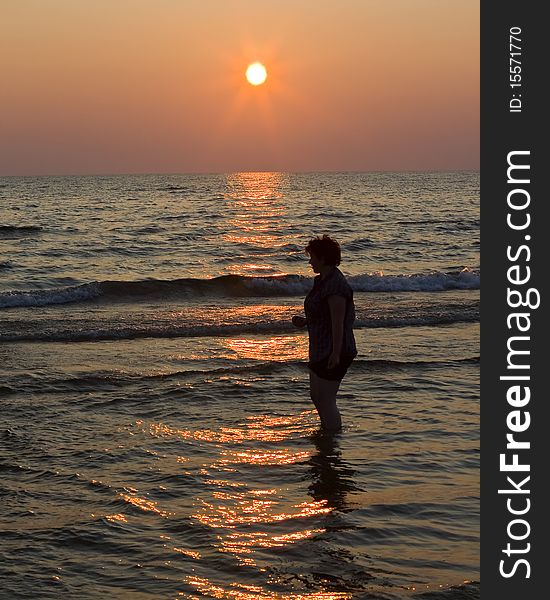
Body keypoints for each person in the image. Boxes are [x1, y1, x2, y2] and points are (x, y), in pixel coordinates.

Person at [292, 234, 357, 431]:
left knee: (326, 399)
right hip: (321, 347)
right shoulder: (322, 281)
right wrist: (306, 321)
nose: (310, 262)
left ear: (323, 258)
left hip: (334, 349)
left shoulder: (335, 285)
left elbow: (338, 322)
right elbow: (324, 315)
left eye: (312, 257)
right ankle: (327, 432)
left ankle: (331, 440)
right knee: (317, 396)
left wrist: (335, 353)